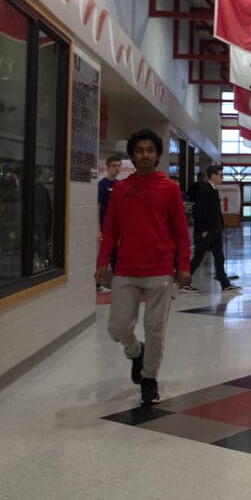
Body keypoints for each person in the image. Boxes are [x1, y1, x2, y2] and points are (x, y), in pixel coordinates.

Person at [96, 129, 191, 405]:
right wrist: (103, 262)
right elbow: (111, 230)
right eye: (139, 150)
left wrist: (183, 265)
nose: (145, 155)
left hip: (160, 269)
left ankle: (149, 380)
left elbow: (181, 231)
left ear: (158, 155)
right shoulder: (122, 189)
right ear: (132, 156)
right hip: (125, 269)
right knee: (117, 327)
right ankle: (135, 351)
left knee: (155, 329)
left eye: (150, 150)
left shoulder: (169, 188)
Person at [189, 165, 240, 292]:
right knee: (198, 257)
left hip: (215, 230)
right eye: (220, 175)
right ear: (213, 175)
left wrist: (220, 226)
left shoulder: (214, 190)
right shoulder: (204, 189)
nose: (222, 177)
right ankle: (184, 280)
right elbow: (199, 211)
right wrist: (203, 229)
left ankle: (224, 283)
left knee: (219, 256)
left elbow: (216, 211)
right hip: (207, 231)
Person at [95, 155, 123, 292]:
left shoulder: (120, 185)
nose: (117, 169)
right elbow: (98, 207)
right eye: (114, 166)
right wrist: (98, 229)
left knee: (117, 257)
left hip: (118, 230)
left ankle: (119, 283)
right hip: (105, 228)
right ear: (107, 167)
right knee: (102, 256)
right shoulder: (101, 185)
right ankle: (98, 283)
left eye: (119, 166)